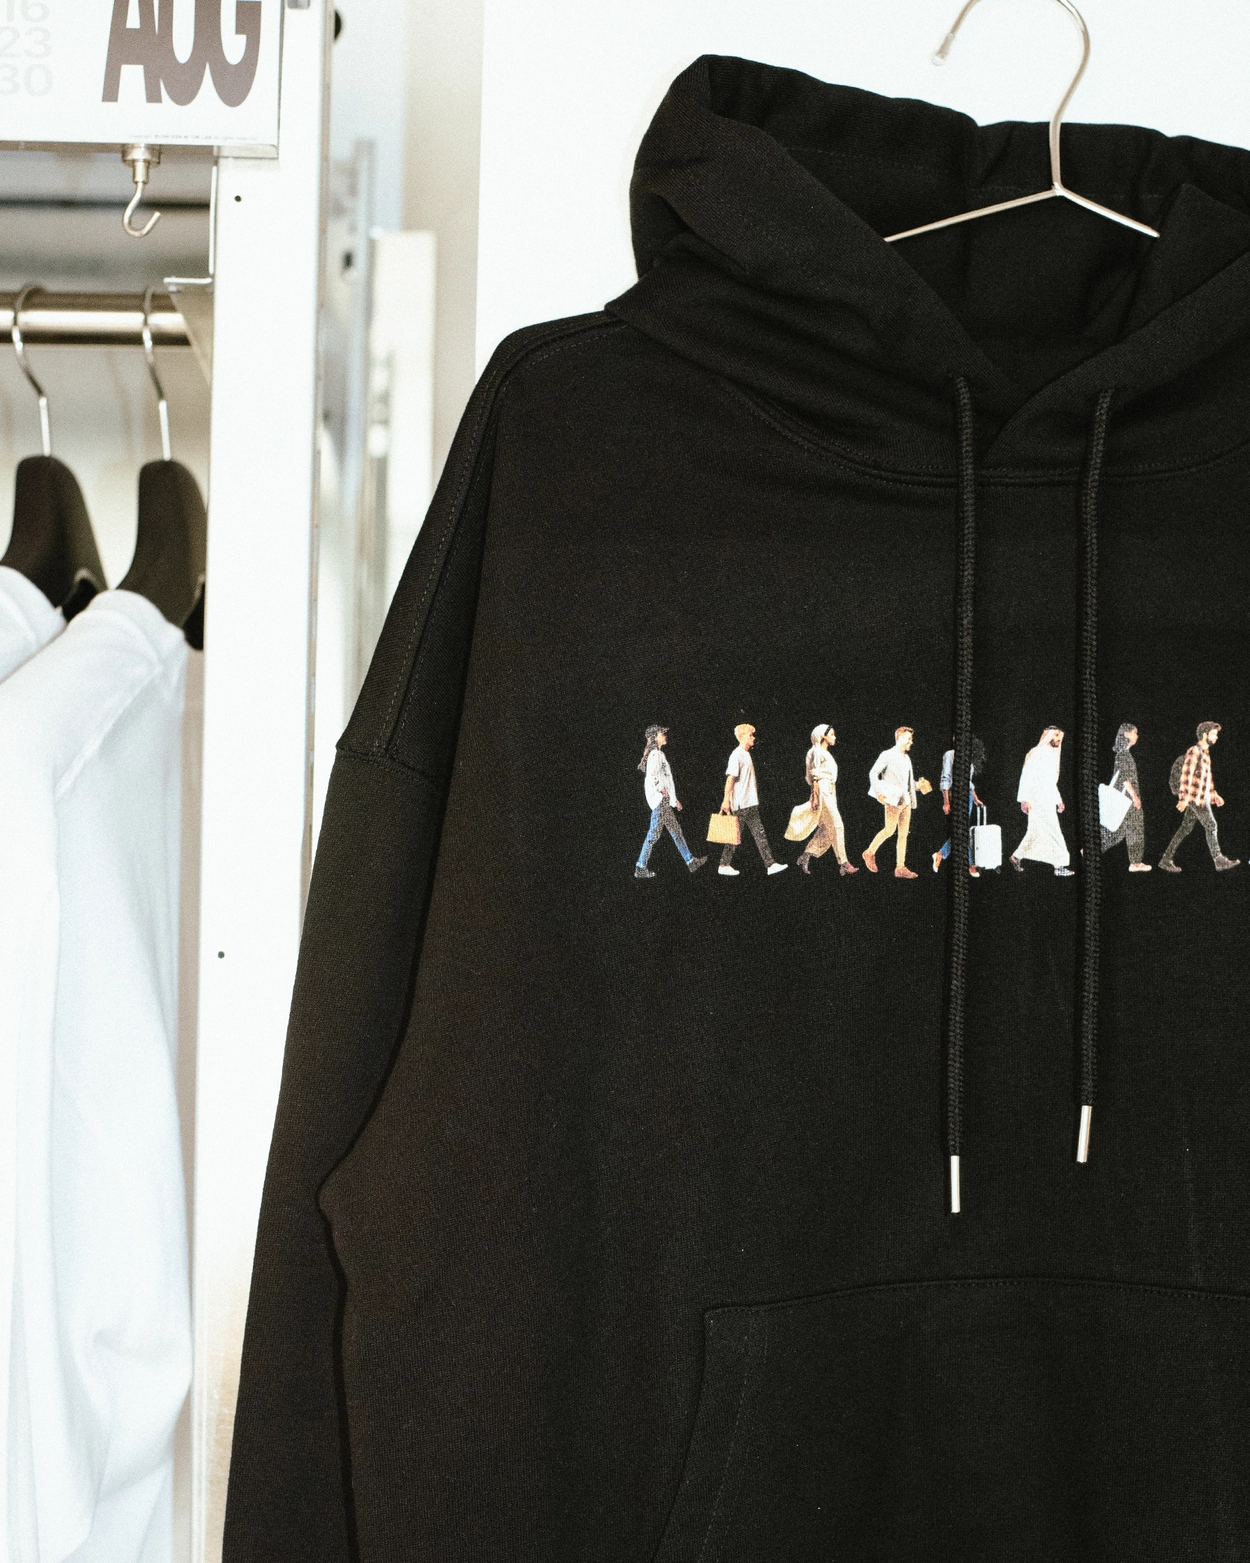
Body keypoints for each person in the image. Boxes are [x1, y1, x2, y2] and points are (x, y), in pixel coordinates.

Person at [1160, 721, 1240, 872]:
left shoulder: (1205, 753)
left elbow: (1206, 780)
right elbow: (1186, 775)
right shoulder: (1194, 751)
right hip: (1196, 798)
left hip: (1200, 796)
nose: (1216, 737)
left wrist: (1214, 795)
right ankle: (1219, 860)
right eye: (1213, 734)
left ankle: (1165, 859)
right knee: (1211, 825)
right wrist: (1184, 798)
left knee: (1185, 828)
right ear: (1204, 734)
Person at [635, 725, 706, 879]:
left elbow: (666, 780)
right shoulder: (656, 754)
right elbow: (652, 776)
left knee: (675, 832)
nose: (665, 736)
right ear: (655, 737)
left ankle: (691, 862)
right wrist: (661, 790)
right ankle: (640, 867)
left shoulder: (659, 754)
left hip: (664, 802)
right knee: (654, 835)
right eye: (662, 734)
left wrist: (674, 800)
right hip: (660, 802)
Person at [787, 724, 858, 877]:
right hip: (822, 789)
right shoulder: (816, 751)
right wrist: (815, 795)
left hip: (830, 789)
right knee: (837, 824)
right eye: (831, 734)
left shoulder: (825, 753)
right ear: (823, 736)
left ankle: (805, 855)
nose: (834, 737)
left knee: (827, 827)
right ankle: (844, 863)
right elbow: (814, 776)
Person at [718, 723, 787, 877]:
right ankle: (723, 865)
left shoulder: (746, 754)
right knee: (734, 835)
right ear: (742, 737)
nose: (753, 738)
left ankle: (770, 864)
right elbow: (730, 779)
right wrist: (726, 801)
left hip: (750, 802)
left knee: (759, 833)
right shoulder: (736, 755)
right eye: (750, 735)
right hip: (741, 803)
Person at [864, 726, 929, 879]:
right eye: (909, 739)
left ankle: (900, 867)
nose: (911, 742)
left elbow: (907, 783)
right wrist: (879, 793)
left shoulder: (907, 758)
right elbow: (873, 773)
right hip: (893, 800)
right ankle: (869, 852)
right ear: (899, 738)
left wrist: (919, 786)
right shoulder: (887, 754)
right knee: (889, 830)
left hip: (906, 800)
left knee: (903, 834)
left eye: (911, 739)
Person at [1010, 726, 1073, 876]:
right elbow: (1026, 776)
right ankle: (1059, 866)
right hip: (1036, 799)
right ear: (1048, 736)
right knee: (1054, 831)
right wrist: (1024, 799)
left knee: (1035, 832)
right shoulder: (1037, 752)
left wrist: (1058, 800)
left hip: (1047, 799)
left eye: (1060, 736)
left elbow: (1050, 782)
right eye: (1056, 735)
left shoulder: (1052, 755)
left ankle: (1016, 856)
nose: (1058, 739)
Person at [933, 735, 986, 878]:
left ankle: (942, 854)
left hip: (968, 797)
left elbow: (969, 783)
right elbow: (945, 778)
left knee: (961, 831)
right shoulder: (950, 755)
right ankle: (969, 863)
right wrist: (946, 802)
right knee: (961, 831)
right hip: (956, 796)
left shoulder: (968, 759)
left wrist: (975, 798)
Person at [1100, 723, 1150, 872]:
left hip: (1126, 800)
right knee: (1127, 829)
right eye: (1135, 732)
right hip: (1127, 800)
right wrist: (1135, 797)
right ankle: (1135, 863)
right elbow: (1124, 779)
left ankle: (1135, 862)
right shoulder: (1123, 755)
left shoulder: (1124, 754)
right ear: (1127, 734)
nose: (1137, 736)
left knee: (1120, 831)